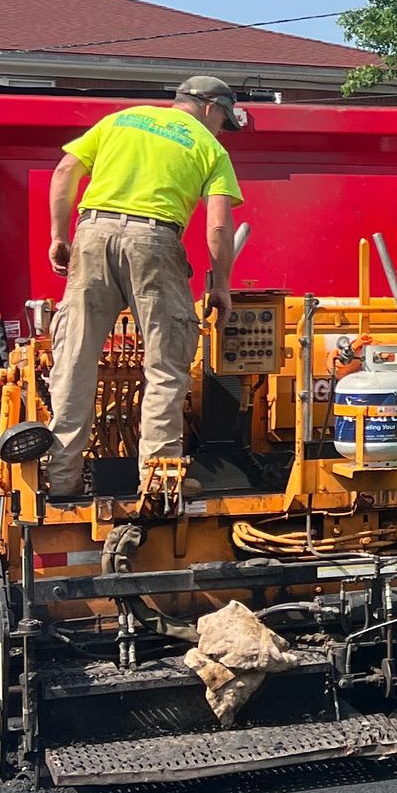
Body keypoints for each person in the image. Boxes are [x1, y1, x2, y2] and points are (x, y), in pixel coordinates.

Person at [42, 75, 247, 504]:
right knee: (165, 364)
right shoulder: (210, 147)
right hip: (155, 240)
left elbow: (65, 170)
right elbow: (218, 225)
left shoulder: (121, 121)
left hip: (92, 232)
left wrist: (59, 236)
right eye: (223, 121)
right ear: (210, 107)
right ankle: (158, 480)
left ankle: (62, 481)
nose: (221, 130)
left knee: (74, 361)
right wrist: (222, 284)